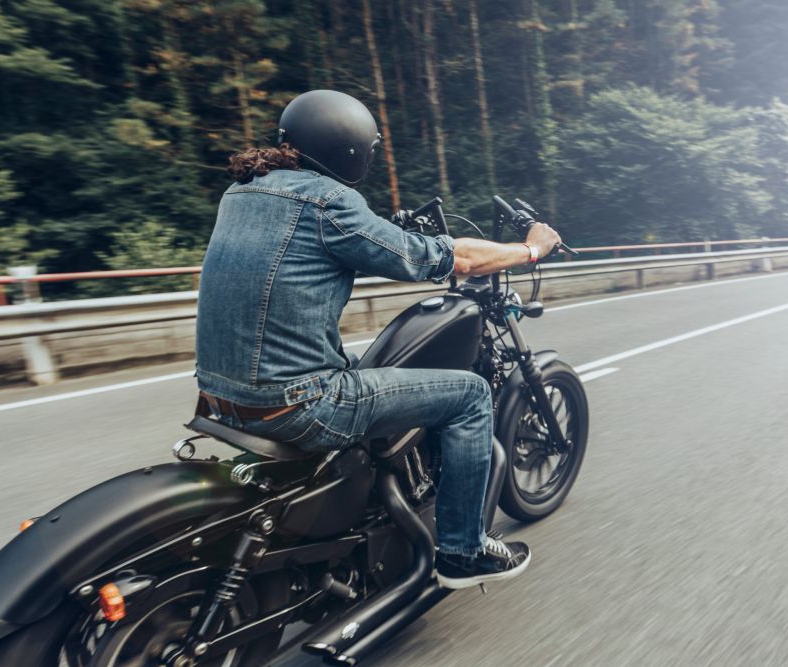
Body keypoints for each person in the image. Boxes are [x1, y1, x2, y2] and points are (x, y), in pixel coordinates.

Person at [194, 90, 562, 589]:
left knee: (361, 361)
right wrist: (530, 249)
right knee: (471, 396)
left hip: (219, 395)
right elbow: (457, 260)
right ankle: (463, 550)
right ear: (352, 151)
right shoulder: (331, 203)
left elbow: (310, 250)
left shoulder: (243, 192)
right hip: (297, 402)